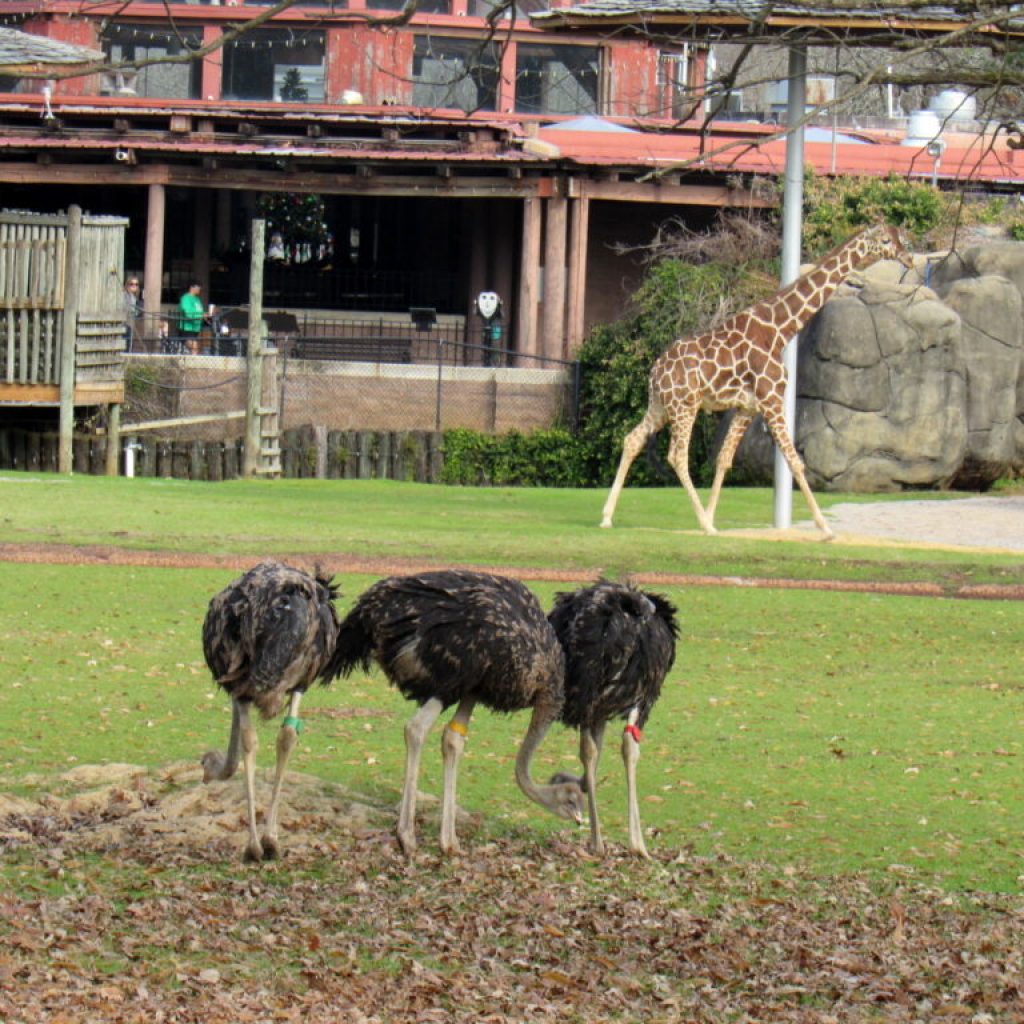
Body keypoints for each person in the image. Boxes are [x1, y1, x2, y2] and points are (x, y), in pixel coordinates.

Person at [177, 280, 208, 354]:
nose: (200, 289)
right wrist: (201, 315)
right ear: (192, 287)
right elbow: (188, 312)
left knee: (196, 348)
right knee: (194, 348)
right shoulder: (185, 298)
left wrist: (205, 315)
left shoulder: (197, 299)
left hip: (195, 328)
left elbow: (200, 311)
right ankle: (193, 364)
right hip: (187, 328)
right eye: (198, 287)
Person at [122, 276, 142, 351]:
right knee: (125, 344)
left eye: (136, 284)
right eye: (132, 284)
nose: (134, 286)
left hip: (130, 324)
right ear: (127, 285)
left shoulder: (134, 297)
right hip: (124, 324)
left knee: (129, 345)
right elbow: (125, 308)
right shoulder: (124, 295)